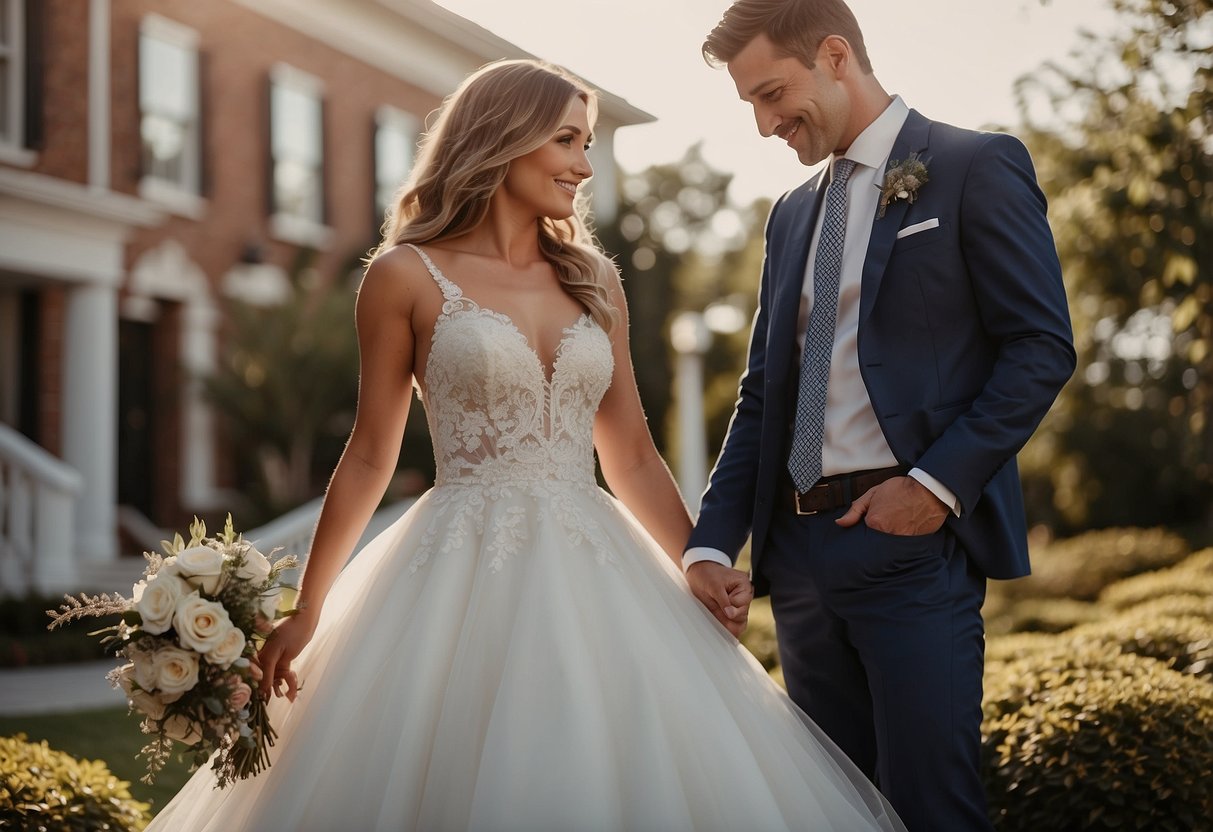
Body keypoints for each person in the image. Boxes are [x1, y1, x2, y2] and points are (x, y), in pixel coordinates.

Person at [145, 58, 905, 832]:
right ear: (503, 138)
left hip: (602, 564)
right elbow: (371, 455)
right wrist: (309, 609)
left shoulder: (594, 279)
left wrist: (697, 561)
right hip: (457, 567)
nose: (583, 165)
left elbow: (631, 452)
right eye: (567, 140)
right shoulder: (404, 276)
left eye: (589, 144)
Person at [683, 2, 1076, 830]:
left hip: (908, 549)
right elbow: (763, 393)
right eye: (748, 104)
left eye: (772, 94)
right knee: (831, 813)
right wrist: (712, 542)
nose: (762, 125)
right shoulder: (790, 214)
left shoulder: (975, 165)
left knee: (931, 810)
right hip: (795, 564)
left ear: (834, 55)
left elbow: (1039, 346)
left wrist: (933, 486)